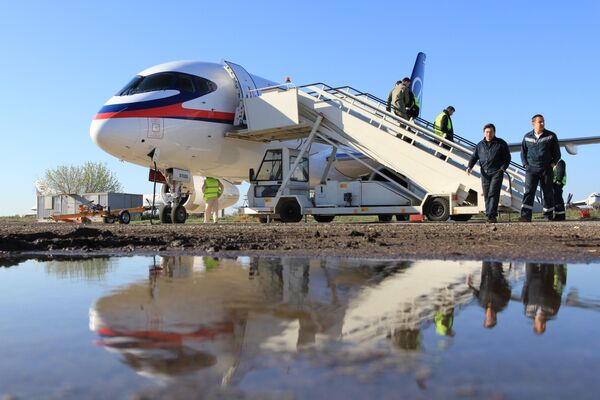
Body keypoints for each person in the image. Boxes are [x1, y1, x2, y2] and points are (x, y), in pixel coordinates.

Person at [519, 114, 561, 222]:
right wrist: (525, 164)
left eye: (543, 121)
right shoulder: (527, 136)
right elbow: (523, 152)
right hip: (531, 169)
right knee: (529, 191)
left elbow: (557, 153)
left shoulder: (551, 136)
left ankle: (548, 215)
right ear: (533, 123)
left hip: (546, 169)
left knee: (548, 192)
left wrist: (552, 164)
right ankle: (525, 216)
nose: (542, 123)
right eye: (540, 122)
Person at [466, 123, 511, 223]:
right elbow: (474, 157)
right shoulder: (480, 145)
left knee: (493, 193)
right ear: (484, 133)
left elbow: (507, 158)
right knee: (486, 194)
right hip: (484, 173)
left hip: (497, 172)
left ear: (494, 132)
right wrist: (469, 166)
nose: (489, 134)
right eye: (487, 132)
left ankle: (492, 215)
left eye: (491, 132)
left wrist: (503, 168)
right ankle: (489, 214)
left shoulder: (501, 143)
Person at [521, 263, 566, 335]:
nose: (543, 325)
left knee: (529, 259)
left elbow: (524, 298)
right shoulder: (552, 313)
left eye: (541, 326)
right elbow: (558, 297)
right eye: (543, 327)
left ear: (535, 325)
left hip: (531, 279)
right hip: (548, 278)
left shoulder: (528, 313)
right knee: (547, 259)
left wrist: (526, 284)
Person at [468, 261, 511, 329]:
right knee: (495, 259)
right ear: (495, 317)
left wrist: (470, 285)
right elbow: (508, 292)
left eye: (487, 319)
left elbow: (476, 294)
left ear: (485, 317)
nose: (489, 316)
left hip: (485, 273)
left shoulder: (482, 303)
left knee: (486, 259)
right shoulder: (501, 304)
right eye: (491, 319)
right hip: (496, 272)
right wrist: (504, 282)